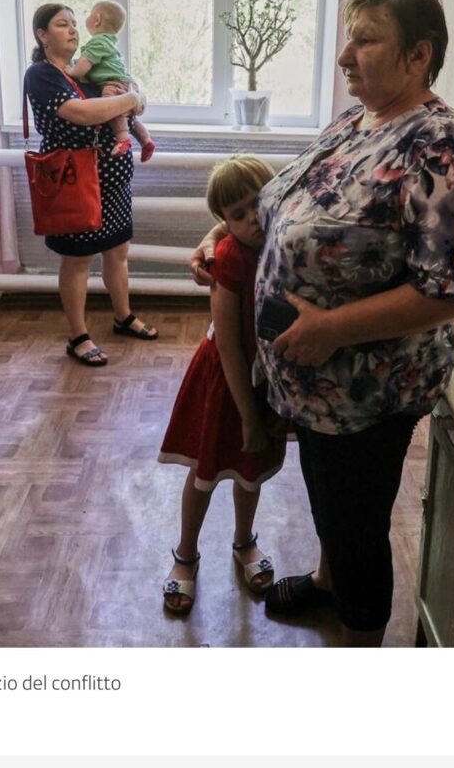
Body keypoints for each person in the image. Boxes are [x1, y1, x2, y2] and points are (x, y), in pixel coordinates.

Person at [190, 0, 454, 645]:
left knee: (357, 528)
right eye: (349, 38)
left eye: (366, 40)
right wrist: (218, 236)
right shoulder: (356, 122)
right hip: (316, 388)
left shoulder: (442, 152)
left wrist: (329, 328)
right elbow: (282, 200)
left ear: (418, 55)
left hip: (368, 393)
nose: (345, 56)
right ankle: (328, 586)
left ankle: (359, 630)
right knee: (331, 506)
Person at [158, 156, 286, 614]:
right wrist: (248, 414)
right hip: (227, 381)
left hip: (263, 375)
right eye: (238, 213)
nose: (253, 218)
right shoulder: (230, 257)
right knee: (206, 471)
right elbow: (230, 347)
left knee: (251, 470)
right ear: (225, 222)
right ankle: (185, 553)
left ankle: (244, 541)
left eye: (258, 204)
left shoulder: (282, 238)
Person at [26, 3, 159, 367]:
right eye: (62, 24)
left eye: (74, 23)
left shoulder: (86, 69)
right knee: (78, 260)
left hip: (113, 179)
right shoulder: (41, 74)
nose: (73, 29)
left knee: (118, 252)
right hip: (74, 182)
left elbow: (129, 98)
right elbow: (84, 114)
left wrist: (131, 97)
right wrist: (132, 98)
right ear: (42, 35)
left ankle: (123, 317)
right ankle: (78, 336)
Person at [65, 0, 155, 161]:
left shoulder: (98, 42)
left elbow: (83, 67)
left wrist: (72, 71)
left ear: (97, 19)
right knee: (127, 116)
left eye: (89, 14)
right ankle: (146, 139)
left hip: (113, 83)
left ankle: (123, 139)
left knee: (112, 107)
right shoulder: (109, 42)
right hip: (126, 82)